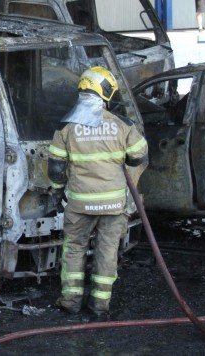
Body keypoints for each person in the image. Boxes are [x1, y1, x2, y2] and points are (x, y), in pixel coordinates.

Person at [47, 66, 148, 320]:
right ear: (106, 92)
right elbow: (139, 156)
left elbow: (56, 171)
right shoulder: (122, 125)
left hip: (80, 204)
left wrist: (59, 193)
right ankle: (100, 306)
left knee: (74, 249)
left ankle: (70, 301)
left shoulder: (65, 128)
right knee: (107, 251)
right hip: (114, 205)